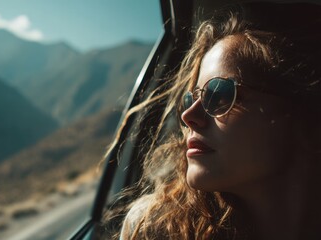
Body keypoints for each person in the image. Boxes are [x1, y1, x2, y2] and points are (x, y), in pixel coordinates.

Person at [117, 2, 321, 240]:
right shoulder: (154, 229)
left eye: (218, 94)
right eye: (189, 99)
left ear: (300, 116)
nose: (188, 116)